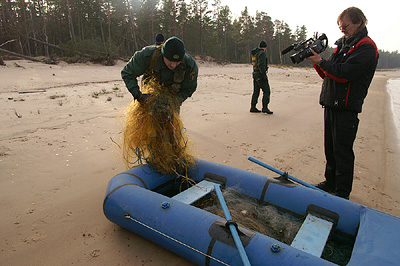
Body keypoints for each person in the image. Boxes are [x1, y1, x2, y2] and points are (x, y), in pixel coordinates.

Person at [307, 7, 379, 199]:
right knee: (330, 148)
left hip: (346, 107)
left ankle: (342, 192)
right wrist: (317, 62)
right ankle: (330, 182)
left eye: (345, 25)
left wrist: (322, 62)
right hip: (331, 103)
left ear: (359, 23)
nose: (342, 30)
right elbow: (328, 72)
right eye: (340, 26)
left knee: (343, 151)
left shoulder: (367, 47)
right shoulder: (343, 45)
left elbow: (344, 73)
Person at [121, 36, 198, 106]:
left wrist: (176, 101)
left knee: (169, 120)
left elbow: (189, 89)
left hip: (172, 100)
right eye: (170, 61)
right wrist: (137, 95)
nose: (173, 65)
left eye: (177, 62)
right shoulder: (147, 56)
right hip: (147, 98)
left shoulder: (189, 65)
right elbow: (127, 73)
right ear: (163, 54)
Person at [250, 40, 273, 114]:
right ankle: (265, 108)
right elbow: (261, 65)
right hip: (260, 74)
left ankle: (253, 107)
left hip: (255, 73)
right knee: (266, 91)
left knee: (256, 91)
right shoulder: (262, 53)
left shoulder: (255, 53)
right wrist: (264, 74)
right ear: (264, 47)